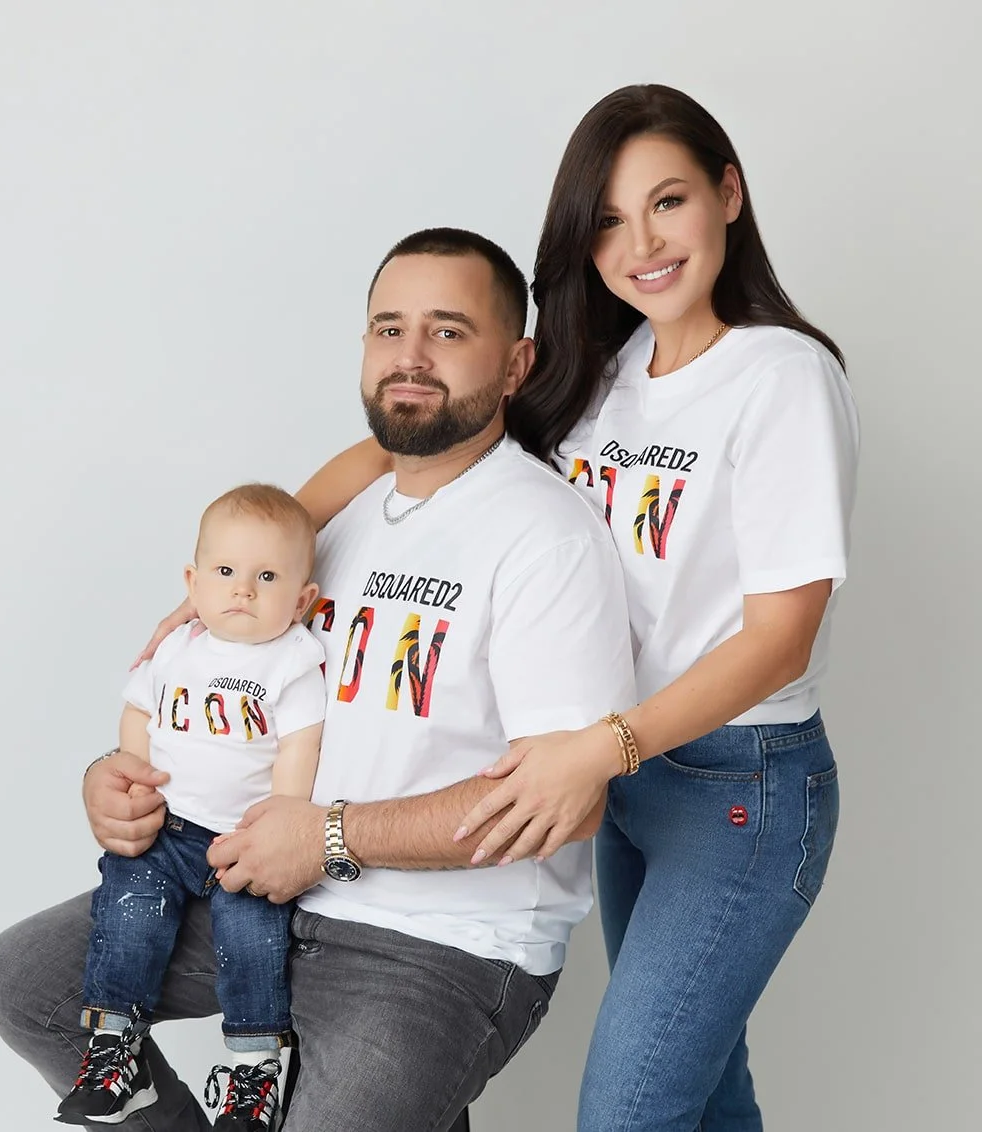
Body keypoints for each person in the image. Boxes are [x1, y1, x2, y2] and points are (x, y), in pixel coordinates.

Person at [161, 84, 860, 1131]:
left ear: (729, 194)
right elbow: (396, 449)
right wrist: (239, 579)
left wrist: (603, 747)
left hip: (736, 788)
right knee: (703, 1091)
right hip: (613, 778)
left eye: (668, 202)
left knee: (633, 1109)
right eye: (609, 221)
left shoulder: (782, 376)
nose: (642, 244)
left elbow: (779, 640)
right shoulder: (605, 371)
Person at [0, 227, 639, 1132]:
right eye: (386, 329)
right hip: (265, 896)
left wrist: (327, 838)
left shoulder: (546, 539)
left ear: (516, 363)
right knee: (25, 982)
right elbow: (247, 700)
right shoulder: (331, 524)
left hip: (439, 947)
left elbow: (560, 805)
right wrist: (124, 778)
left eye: (448, 332)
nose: (409, 357)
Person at [57, 485, 327, 1128]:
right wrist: (134, 777)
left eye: (267, 577)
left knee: (252, 939)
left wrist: (281, 818)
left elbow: (299, 746)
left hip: (244, 838)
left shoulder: (293, 661)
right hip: (169, 830)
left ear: (303, 599)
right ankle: (115, 1044)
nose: (243, 590)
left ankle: (254, 1069)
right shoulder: (178, 647)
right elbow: (139, 713)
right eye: (226, 573)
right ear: (194, 581)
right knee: (128, 915)